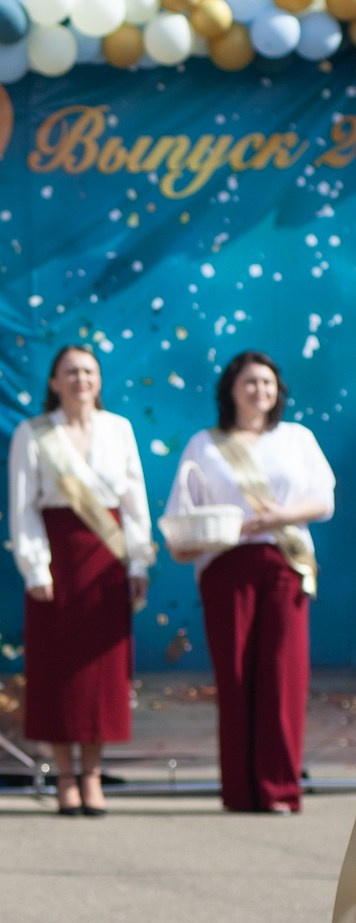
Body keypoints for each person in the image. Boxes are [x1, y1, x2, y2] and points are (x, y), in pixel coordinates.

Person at [165, 349, 336, 814]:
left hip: (284, 563)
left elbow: (324, 498)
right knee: (236, 676)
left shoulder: (296, 438)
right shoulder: (206, 443)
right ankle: (240, 791)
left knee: (284, 676)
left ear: (278, 391)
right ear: (231, 390)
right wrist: (228, 527)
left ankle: (279, 788)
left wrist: (278, 516)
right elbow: (183, 508)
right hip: (226, 566)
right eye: (249, 382)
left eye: (267, 383)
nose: (260, 391)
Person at [9, 346, 152, 817]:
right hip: (59, 559)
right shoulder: (33, 434)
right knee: (58, 671)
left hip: (108, 562)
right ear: (53, 382)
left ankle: (93, 776)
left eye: (89, 371)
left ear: (100, 379)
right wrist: (36, 568)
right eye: (70, 372)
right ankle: (65, 778)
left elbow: (134, 504)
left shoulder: (120, 430)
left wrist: (137, 564)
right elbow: (23, 508)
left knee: (103, 675)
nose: (81, 379)